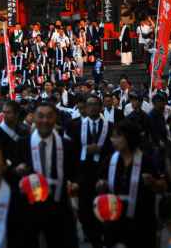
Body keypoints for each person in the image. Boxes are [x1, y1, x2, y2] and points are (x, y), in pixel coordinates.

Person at [15, 102, 79, 248]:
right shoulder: (22, 144)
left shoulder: (67, 145)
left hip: (59, 204)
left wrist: (75, 183)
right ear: (34, 118)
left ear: (55, 118)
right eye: (40, 116)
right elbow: (13, 169)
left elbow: (76, 172)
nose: (45, 120)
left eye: (49, 116)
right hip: (30, 205)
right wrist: (18, 170)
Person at [97, 120, 161, 248]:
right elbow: (100, 182)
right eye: (112, 136)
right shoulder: (110, 160)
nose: (113, 140)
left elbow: (162, 186)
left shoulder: (145, 160)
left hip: (140, 221)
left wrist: (153, 182)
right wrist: (101, 185)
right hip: (115, 220)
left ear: (129, 137)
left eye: (117, 136)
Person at [66, 95, 113, 248]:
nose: (92, 107)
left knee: (103, 207)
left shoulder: (110, 126)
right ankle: (93, 238)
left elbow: (114, 150)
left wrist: (101, 149)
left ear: (101, 107)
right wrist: (73, 179)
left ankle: (101, 236)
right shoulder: (76, 126)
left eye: (95, 104)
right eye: (89, 104)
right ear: (85, 107)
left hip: (103, 173)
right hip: (82, 174)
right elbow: (71, 152)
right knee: (85, 210)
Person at [0, 101, 26, 166]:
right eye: (3, 112)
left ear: (17, 114)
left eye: (8, 112)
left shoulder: (23, 131)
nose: (4, 115)